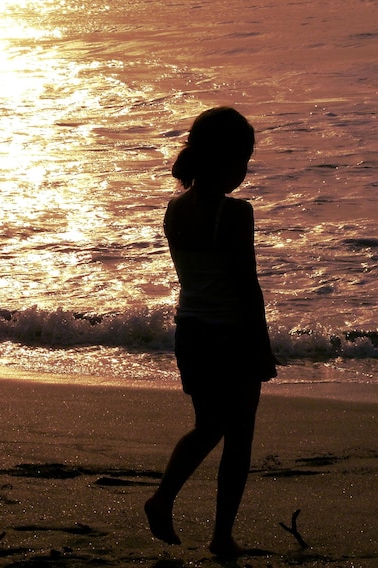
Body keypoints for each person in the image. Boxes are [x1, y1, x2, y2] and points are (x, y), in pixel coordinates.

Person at [145, 107, 277, 558]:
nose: (244, 171)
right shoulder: (236, 213)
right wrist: (262, 347)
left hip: (191, 332)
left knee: (207, 426)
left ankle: (164, 497)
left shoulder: (174, 208)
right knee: (237, 439)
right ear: (226, 160)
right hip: (231, 336)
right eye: (243, 161)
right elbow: (247, 286)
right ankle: (221, 535)